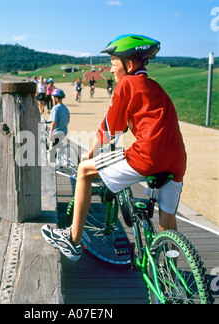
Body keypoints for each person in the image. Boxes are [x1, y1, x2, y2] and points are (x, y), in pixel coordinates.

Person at [41, 34, 187, 262]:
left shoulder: (127, 83)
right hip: (177, 160)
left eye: (112, 63)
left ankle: (73, 239)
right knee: (167, 222)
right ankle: (173, 275)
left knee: (84, 172)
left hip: (147, 157)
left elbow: (110, 128)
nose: (110, 70)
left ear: (129, 65)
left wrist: (89, 154)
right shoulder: (155, 87)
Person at [47, 88, 70, 153]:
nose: (52, 101)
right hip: (64, 131)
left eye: (52, 99)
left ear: (56, 99)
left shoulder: (55, 108)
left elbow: (54, 122)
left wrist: (50, 133)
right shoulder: (65, 108)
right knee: (58, 146)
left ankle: (52, 159)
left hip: (56, 133)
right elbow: (67, 120)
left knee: (51, 150)